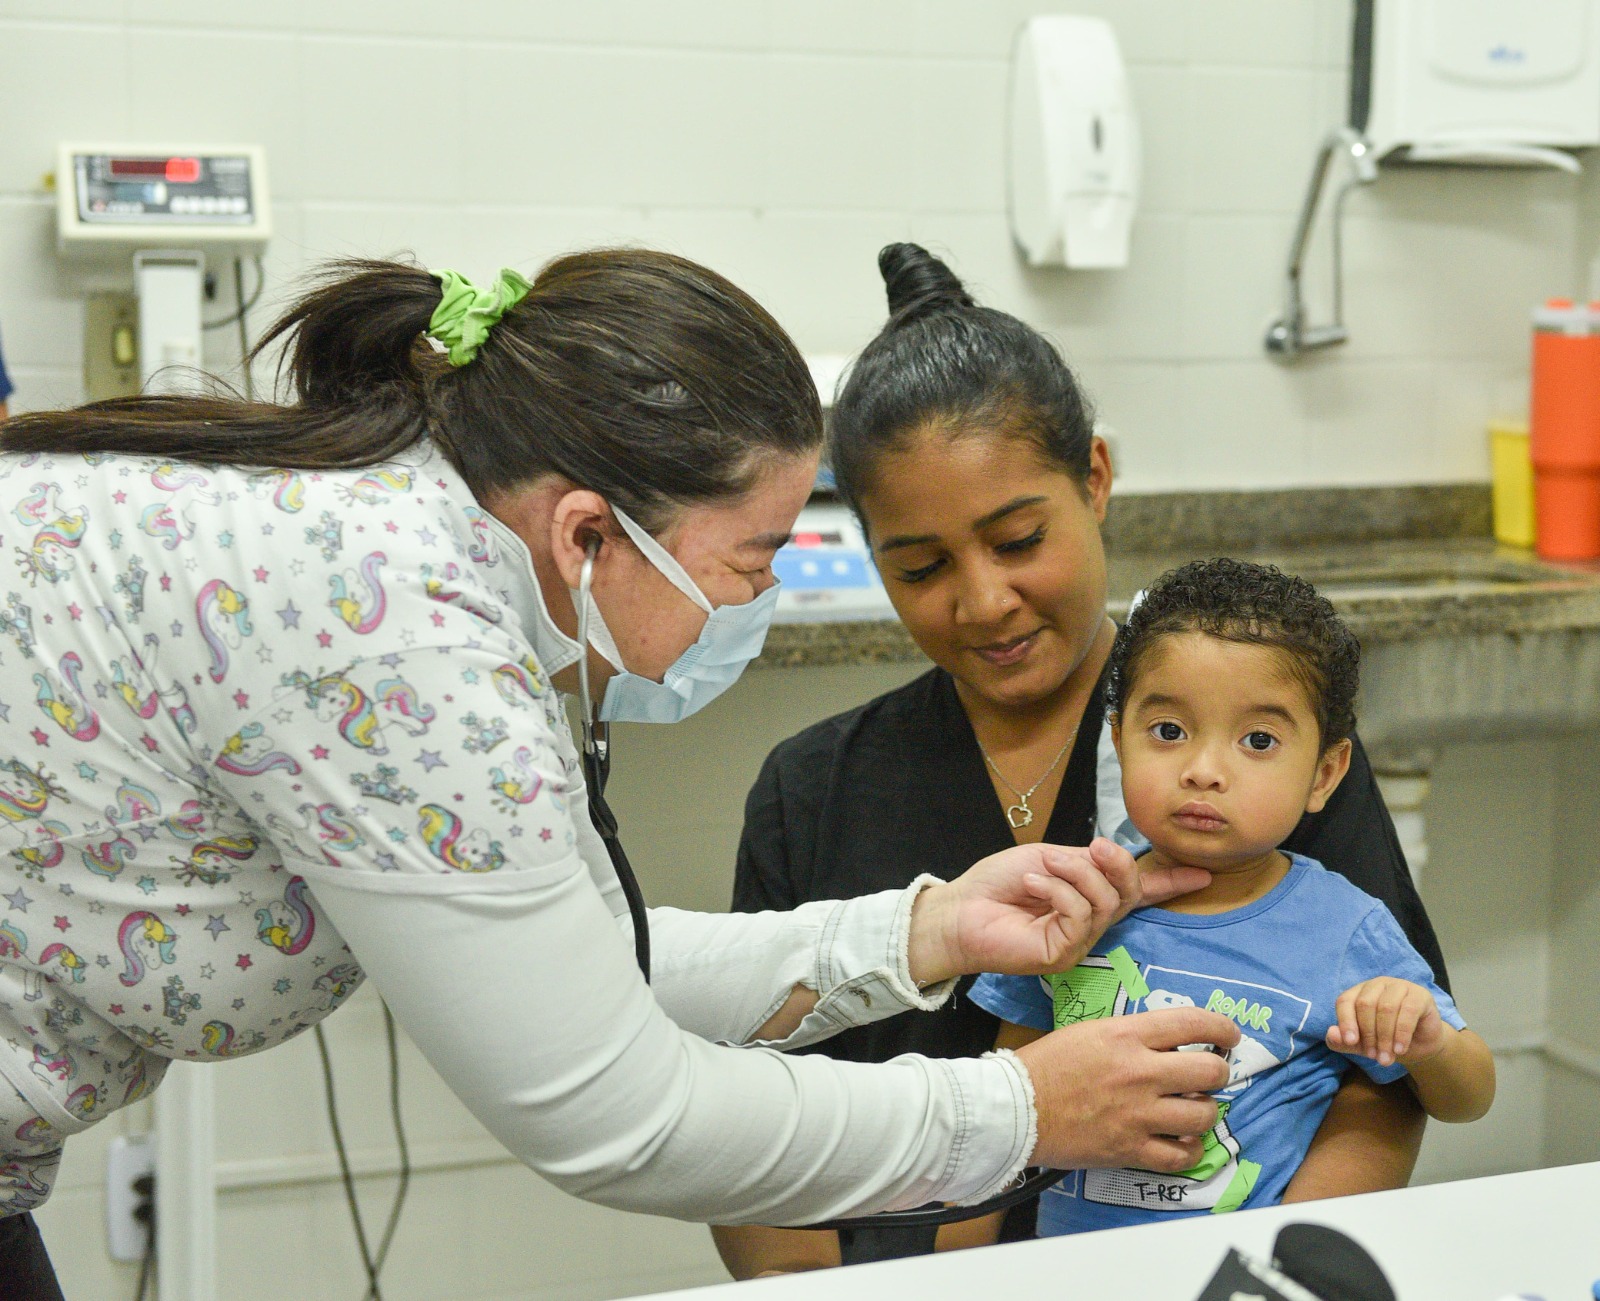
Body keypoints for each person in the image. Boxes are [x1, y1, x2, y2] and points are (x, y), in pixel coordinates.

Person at [0, 250, 1244, 1297]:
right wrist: (1019, 1108)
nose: (761, 595)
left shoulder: (410, 557)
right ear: (589, 533)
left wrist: (922, 929)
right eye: (752, 557)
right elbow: (617, 1113)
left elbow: (586, 965)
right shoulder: (399, 637)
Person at [714, 244, 1453, 1278]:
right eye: (920, 565)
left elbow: (1381, 1081)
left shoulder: (1254, 762)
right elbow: (755, 1131)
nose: (981, 600)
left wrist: (1252, 1268)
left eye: (1018, 539)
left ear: (1094, 479)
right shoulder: (814, 789)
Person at [970, 557, 1495, 1235]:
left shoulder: (1345, 929)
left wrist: (1426, 1041)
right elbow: (999, 1115)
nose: (1204, 770)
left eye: (1258, 740)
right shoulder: (1074, 907)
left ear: (1325, 772)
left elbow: (1470, 1095)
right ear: (1118, 739)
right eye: (1168, 731)